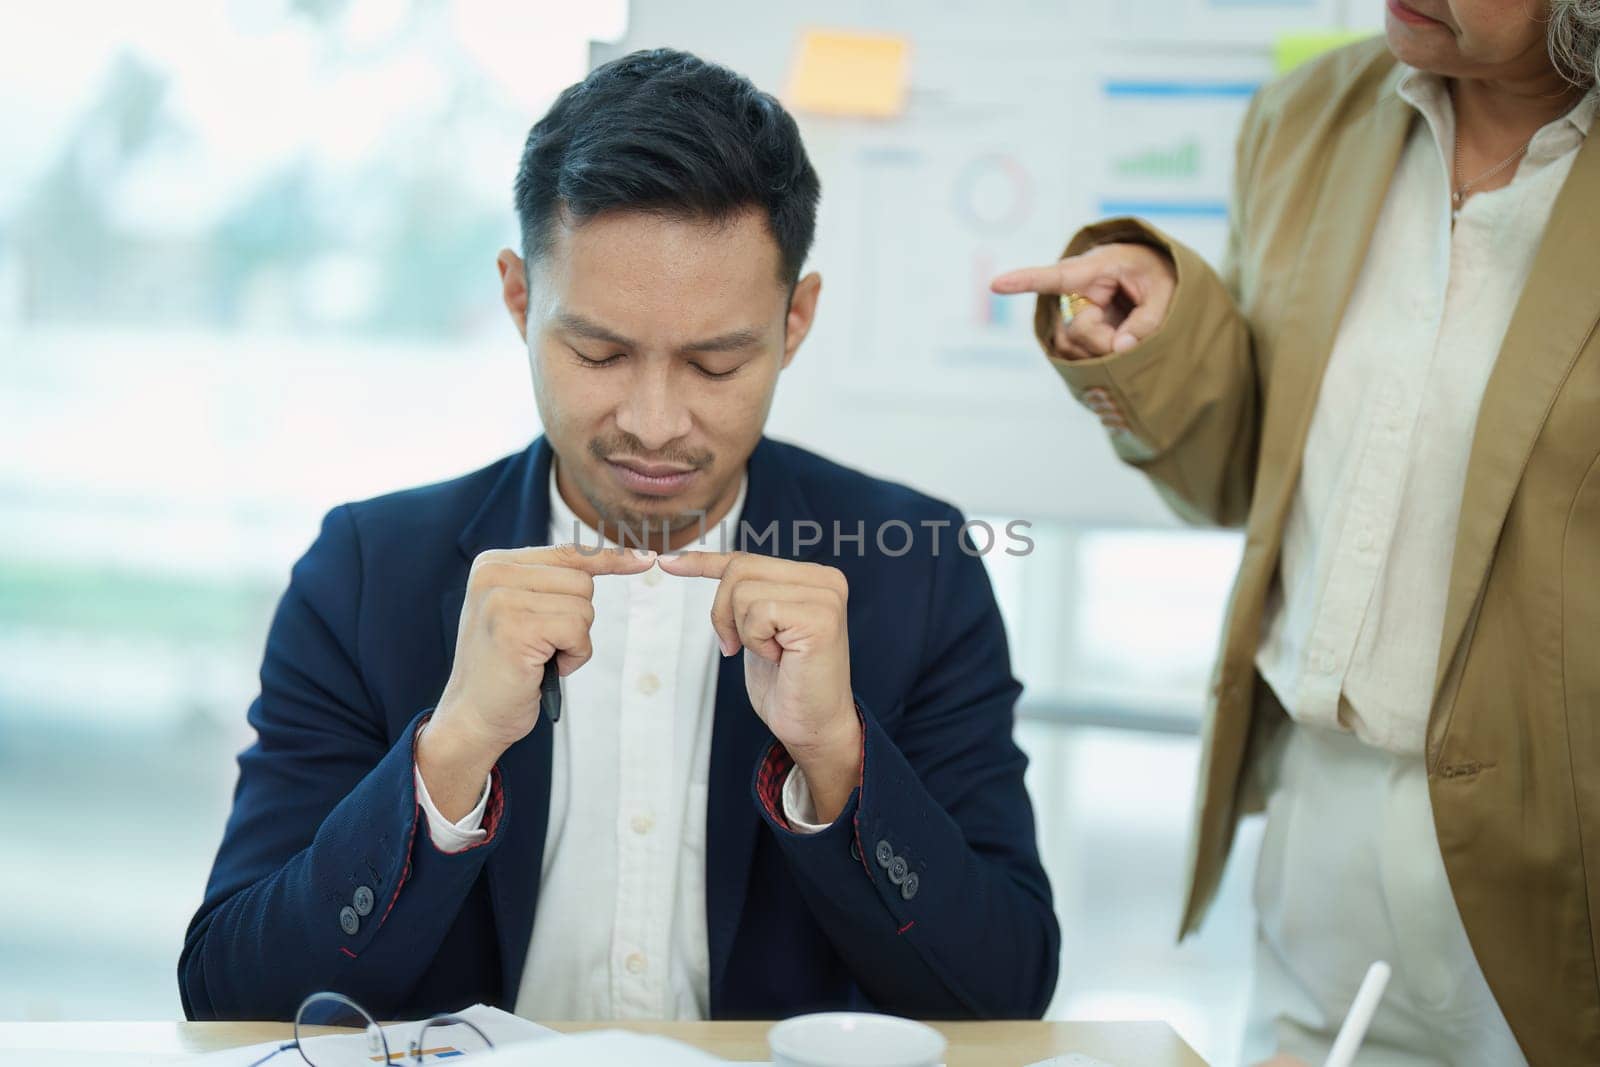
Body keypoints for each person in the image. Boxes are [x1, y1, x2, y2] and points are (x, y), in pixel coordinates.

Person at [181, 48, 1058, 1024]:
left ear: (794, 321)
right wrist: (453, 746)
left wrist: (838, 758)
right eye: (598, 351)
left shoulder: (918, 568)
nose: (653, 421)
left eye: (717, 363)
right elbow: (230, 993)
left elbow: (1006, 992)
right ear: (518, 299)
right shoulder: (365, 569)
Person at [993, 2, 1599, 1063]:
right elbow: (1243, 481)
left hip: (1560, 847)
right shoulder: (1306, 116)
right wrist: (1164, 344)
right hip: (1316, 807)